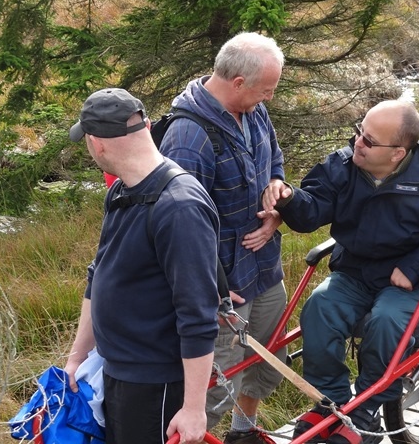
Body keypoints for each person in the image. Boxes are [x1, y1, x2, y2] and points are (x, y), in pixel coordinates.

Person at [262, 100, 419, 444]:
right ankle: (330, 403)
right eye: (359, 131)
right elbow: (310, 212)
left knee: (386, 321)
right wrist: (289, 198)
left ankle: (366, 410)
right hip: (357, 272)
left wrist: (413, 267)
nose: (358, 142)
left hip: (408, 282)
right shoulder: (342, 167)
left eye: (370, 141)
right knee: (320, 309)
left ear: (396, 154)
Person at [64, 88, 220, 444]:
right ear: (146, 126)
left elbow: (198, 316)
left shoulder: (179, 206)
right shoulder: (121, 191)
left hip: (155, 384)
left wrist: (194, 408)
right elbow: (98, 274)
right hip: (111, 369)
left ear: (96, 143)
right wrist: (77, 357)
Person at [158, 32, 287, 444]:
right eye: (265, 91)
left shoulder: (254, 111)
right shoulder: (189, 138)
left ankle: (243, 433)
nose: (268, 99)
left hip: (265, 269)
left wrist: (277, 200)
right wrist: (210, 290)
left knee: (266, 359)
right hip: (223, 288)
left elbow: (276, 160)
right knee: (215, 382)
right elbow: (182, 227)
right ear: (238, 83)